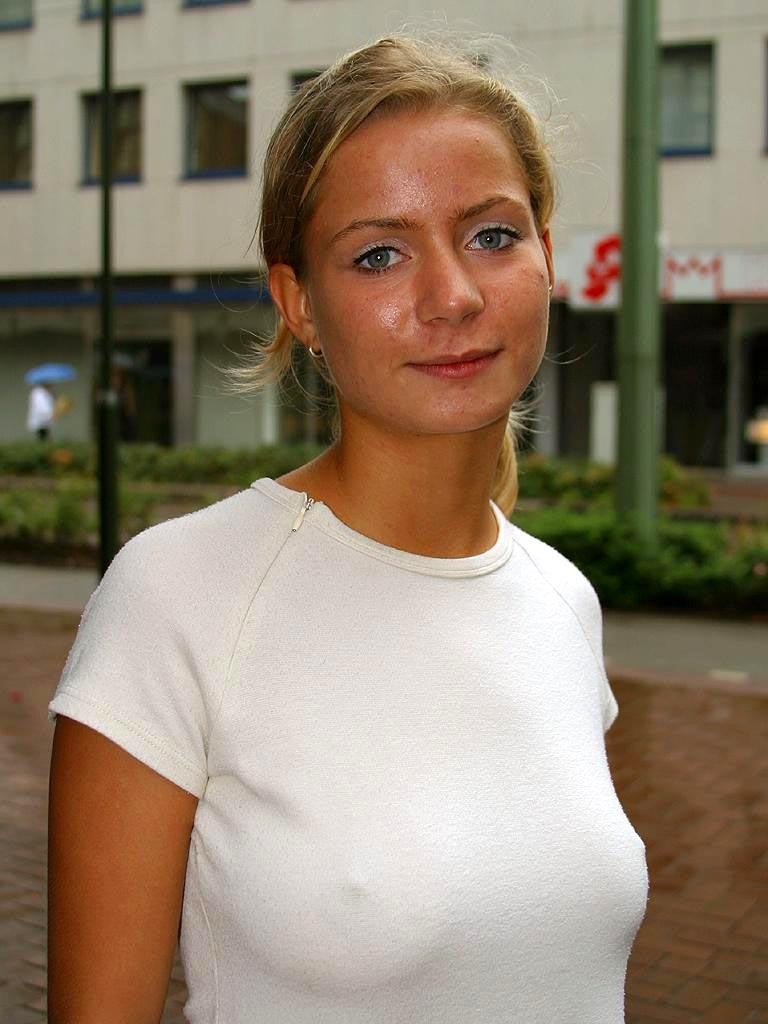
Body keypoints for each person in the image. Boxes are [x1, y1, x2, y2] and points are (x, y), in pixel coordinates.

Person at [47, 33, 649, 1024]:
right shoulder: (181, 596)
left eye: (492, 235)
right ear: (300, 304)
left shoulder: (561, 599)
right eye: (379, 254)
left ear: (547, 253)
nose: (453, 296)